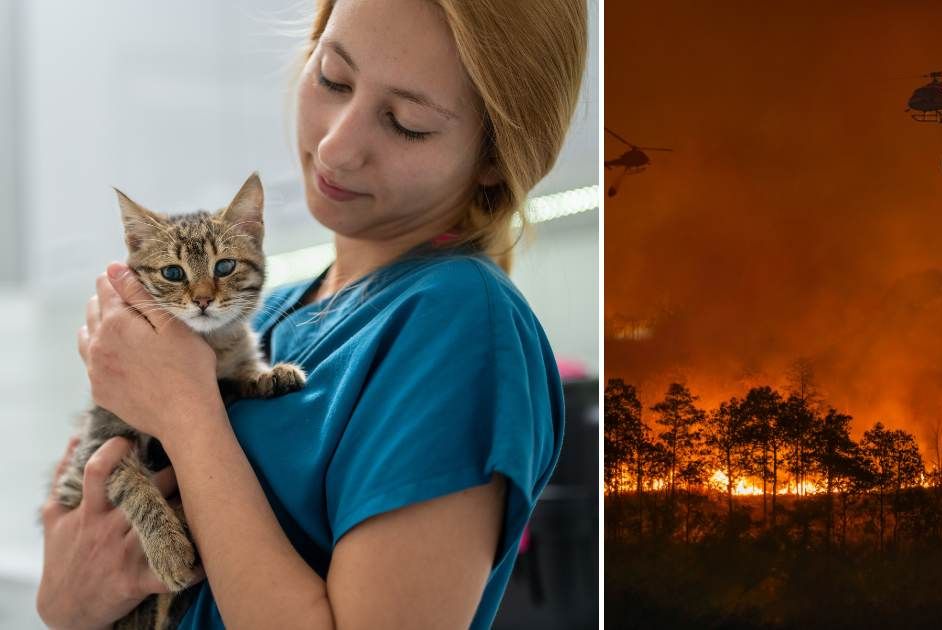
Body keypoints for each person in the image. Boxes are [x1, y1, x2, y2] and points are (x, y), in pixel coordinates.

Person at [36, 0, 588, 628]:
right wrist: (73, 596)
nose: (336, 145)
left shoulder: (459, 324)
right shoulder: (262, 316)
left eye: (405, 121)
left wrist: (183, 408)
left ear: (494, 156)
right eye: (333, 77)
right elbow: (63, 590)